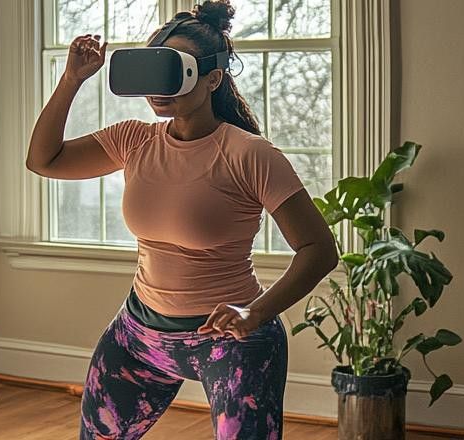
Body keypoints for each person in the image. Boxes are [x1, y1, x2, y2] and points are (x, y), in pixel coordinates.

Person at [25, 1, 339, 438]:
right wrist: (72, 79)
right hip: (140, 332)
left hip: (231, 339)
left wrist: (255, 311)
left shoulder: (250, 154)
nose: (159, 87)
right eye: (154, 69)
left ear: (212, 78)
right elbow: (44, 160)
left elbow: (319, 250)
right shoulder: (133, 140)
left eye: (175, 70)